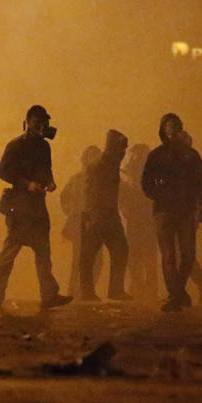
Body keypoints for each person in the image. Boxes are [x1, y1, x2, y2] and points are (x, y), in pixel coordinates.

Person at [0, 105, 72, 310]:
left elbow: (46, 169)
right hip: (20, 204)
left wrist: (50, 182)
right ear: (28, 122)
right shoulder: (16, 145)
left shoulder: (44, 147)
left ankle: (49, 295)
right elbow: (3, 172)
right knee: (9, 253)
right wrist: (26, 184)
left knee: (43, 253)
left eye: (42, 122)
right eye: (36, 121)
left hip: (37, 205)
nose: (40, 126)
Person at [141, 113, 202, 311]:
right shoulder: (156, 155)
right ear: (163, 130)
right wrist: (160, 193)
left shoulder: (191, 155)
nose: (172, 129)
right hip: (164, 211)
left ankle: (177, 292)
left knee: (188, 254)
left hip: (186, 210)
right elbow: (146, 183)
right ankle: (176, 294)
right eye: (168, 126)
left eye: (175, 125)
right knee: (169, 255)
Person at [79, 129, 131, 301]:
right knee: (89, 255)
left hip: (105, 215)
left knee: (116, 251)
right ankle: (91, 291)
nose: (123, 152)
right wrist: (91, 215)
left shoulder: (109, 164)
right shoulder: (101, 165)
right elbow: (90, 192)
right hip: (99, 216)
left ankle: (106, 290)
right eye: (121, 148)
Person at [176, 130, 202, 304]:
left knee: (183, 253)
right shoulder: (172, 163)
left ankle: (191, 287)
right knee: (178, 253)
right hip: (174, 214)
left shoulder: (193, 164)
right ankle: (181, 290)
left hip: (188, 215)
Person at [60, 145, 102, 297]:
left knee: (96, 261)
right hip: (80, 224)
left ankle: (82, 292)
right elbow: (64, 198)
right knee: (80, 260)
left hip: (96, 224)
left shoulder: (102, 180)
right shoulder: (77, 179)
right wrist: (73, 212)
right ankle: (75, 293)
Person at [120, 144, 158, 306]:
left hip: (145, 221)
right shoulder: (137, 174)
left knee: (144, 257)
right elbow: (123, 198)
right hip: (138, 220)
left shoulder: (148, 174)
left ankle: (145, 290)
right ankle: (142, 289)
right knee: (139, 257)